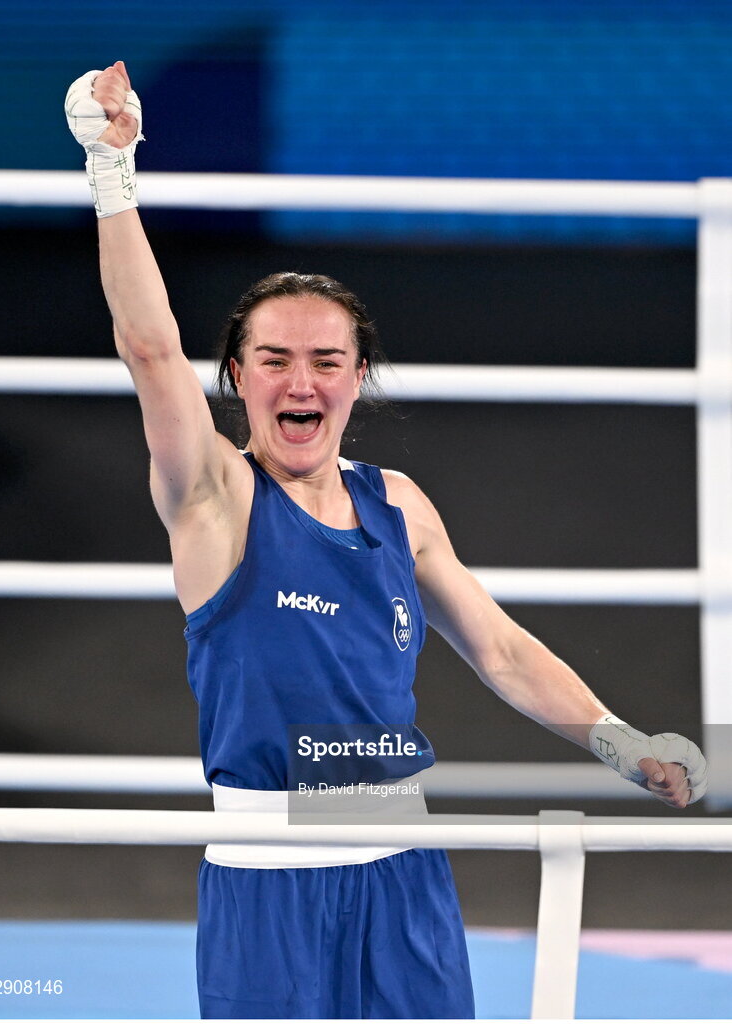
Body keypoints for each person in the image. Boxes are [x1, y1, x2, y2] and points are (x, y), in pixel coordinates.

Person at [65, 62, 708, 1020]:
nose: (300, 382)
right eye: (273, 360)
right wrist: (112, 170)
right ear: (236, 379)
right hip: (267, 877)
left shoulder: (399, 504)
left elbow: (496, 648)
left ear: (356, 379)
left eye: (325, 362)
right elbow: (150, 347)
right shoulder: (213, 498)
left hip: (403, 868)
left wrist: (618, 742)